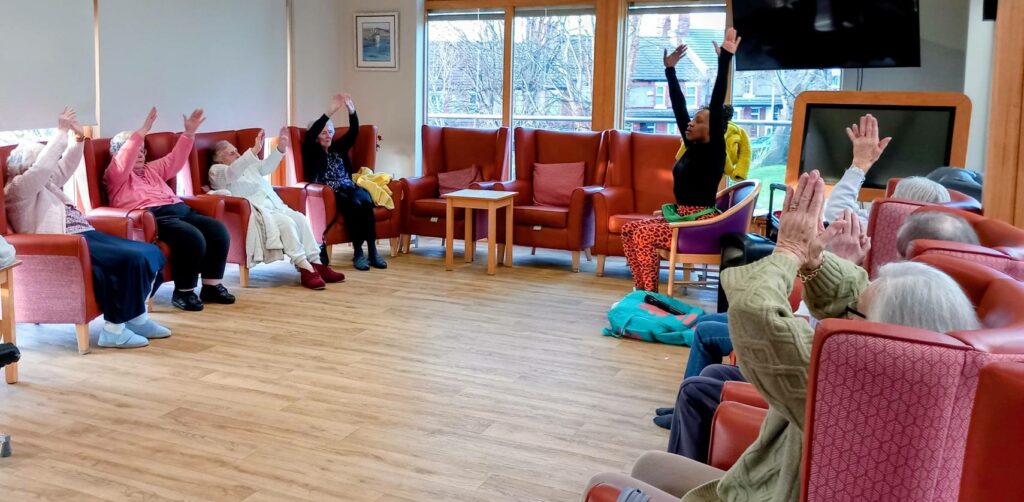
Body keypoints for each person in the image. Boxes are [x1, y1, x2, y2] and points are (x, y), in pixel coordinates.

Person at [587, 170, 980, 501]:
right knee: (650, 464)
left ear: (882, 336)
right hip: (766, 482)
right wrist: (817, 264)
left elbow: (754, 313)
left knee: (600, 485)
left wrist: (789, 250)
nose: (844, 317)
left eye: (856, 313)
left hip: (771, 492)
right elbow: (850, 300)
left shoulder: (843, 383)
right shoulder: (929, 375)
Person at [5, 108, 169, 348]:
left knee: (150, 252)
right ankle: (114, 331)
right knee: (134, 257)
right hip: (68, 241)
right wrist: (61, 131)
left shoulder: (46, 184)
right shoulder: (18, 190)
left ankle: (137, 317)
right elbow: (42, 169)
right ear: (28, 165)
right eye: (44, 162)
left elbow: (66, 167)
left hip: (85, 233)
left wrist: (79, 138)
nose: (52, 168)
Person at [620, 28, 741, 292]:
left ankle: (652, 296)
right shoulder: (693, 146)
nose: (690, 123)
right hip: (682, 219)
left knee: (641, 233)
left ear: (713, 129)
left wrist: (725, 60)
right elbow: (678, 108)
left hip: (699, 224)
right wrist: (670, 71)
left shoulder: (714, 151)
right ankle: (641, 291)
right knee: (629, 229)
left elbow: (717, 98)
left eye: (698, 121)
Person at [105, 107, 234, 312]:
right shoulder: (116, 176)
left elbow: (175, 160)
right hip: (152, 216)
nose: (138, 154)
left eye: (142, 150)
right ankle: (184, 292)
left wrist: (189, 133)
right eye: (133, 150)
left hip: (179, 209)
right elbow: (125, 159)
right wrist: (142, 132)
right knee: (192, 237)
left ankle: (211, 286)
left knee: (217, 230)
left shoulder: (151, 169)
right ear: (118, 155)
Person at [208, 128, 345, 289]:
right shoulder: (217, 171)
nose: (238, 155)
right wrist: (252, 151)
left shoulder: (247, 166)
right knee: (286, 223)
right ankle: (305, 267)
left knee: (300, 218)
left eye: (237, 151)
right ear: (219, 158)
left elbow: (265, 167)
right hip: (258, 211)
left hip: (275, 205)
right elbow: (232, 173)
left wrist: (280, 148)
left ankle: (317, 263)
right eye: (232, 153)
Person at [302, 93, 385, 271]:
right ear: (317, 135)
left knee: (365, 201)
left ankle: (372, 250)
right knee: (354, 205)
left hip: (349, 186)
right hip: (331, 193)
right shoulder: (312, 151)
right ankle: (358, 253)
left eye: (330, 132)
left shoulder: (337, 147)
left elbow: (354, 132)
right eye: (323, 132)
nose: (328, 135)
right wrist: (329, 112)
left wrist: (351, 111)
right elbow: (309, 136)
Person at [824, 114, 951, 225]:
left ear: (900, 208)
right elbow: (851, 211)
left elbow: (837, 210)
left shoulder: (883, 232)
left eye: (893, 196)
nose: (888, 197)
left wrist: (860, 163)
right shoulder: (935, 232)